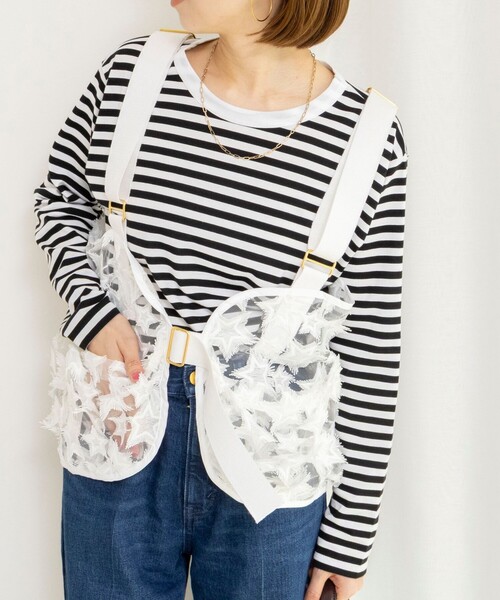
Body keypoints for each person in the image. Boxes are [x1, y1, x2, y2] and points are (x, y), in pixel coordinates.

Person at [33, 1, 408, 599]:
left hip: (270, 464)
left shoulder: (368, 137)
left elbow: (370, 344)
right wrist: (93, 312)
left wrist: (350, 536)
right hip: (121, 423)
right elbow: (60, 200)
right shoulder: (132, 75)